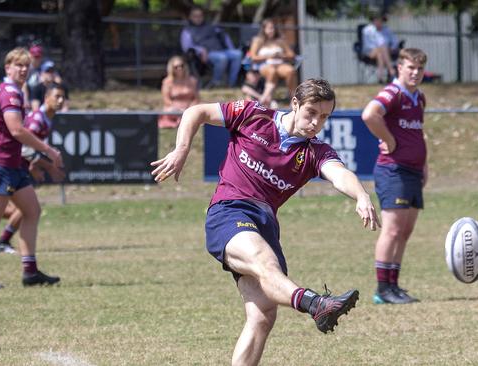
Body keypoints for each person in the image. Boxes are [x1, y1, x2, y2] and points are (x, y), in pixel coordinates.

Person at [151, 78, 380, 365]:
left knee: (262, 316)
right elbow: (195, 112)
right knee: (265, 263)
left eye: (324, 117)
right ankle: (316, 304)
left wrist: (360, 194)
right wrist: (181, 149)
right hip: (229, 211)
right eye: (311, 113)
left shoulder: (314, 151)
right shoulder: (253, 115)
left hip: (265, 225)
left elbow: (338, 173)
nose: (316, 123)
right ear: (295, 104)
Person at [0, 47, 63, 290]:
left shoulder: (13, 91)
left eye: (26, 65)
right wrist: (48, 151)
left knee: (31, 211)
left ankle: (30, 272)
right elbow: (17, 130)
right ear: (7, 67)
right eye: (18, 65)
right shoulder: (10, 92)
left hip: (11, 164)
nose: (23, 69)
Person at [0, 84, 67, 256]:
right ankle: (0, 245)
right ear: (46, 97)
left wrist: (37, 164)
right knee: (17, 212)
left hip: (19, 166)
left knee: (26, 210)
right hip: (13, 166)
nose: (60, 101)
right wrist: (42, 165)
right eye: (57, 96)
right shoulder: (38, 118)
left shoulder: (47, 117)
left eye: (63, 97)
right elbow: (23, 145)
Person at [361, 48, 428, 305]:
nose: (415, 73)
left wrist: (425, 163)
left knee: (405, 231)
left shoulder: (419, 98)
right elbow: (370, 114)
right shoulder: (393, 93)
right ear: (399, 67)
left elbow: (418, 133)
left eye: (419, 69)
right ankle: (382, 289)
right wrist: (387, 139)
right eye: (410, 67)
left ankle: (394, 286)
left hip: (412, 171)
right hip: (393, 170)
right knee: (392, 230)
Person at [180, 6, 243, 88]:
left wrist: (231, 48)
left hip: (222, 51)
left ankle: (231, 84)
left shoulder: (211, 26)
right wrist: (200, 50)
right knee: (222, 58)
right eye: (195, 16)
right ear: (190, 17)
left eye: (200, 16)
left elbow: (224, 36)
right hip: (205, 55)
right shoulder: (187, 31)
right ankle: (216, 83)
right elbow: (186, 46)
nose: (198, 18)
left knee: (237, 54)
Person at [248, 19, 299, 104]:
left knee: (290, 71)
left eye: (273, 28)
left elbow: (292, 55)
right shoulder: (258, 41)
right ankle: (268, 98)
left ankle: (292, 97)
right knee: (272, 71)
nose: (271, 30)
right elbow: (253, 57)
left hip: (279, 64)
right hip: (263, 65)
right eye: (269, 28)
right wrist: (269, 56)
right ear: (264, 29)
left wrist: (281, 56)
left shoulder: (280, 41)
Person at [158, 56, 200, 129]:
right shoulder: (167, 82)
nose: (179, 68)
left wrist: (189, 108)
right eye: (176, 67)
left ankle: (183, 120)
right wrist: (178, 109)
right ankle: (179, 121)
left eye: (181, 66)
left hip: (190, 107)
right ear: (172, 68)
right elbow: (166, 100)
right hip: (174, 109)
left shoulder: (192, 80)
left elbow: (196, 98)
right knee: (170, 111)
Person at [361, 15, 396, 83]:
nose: (378, 22)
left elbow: (395, 41)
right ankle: (392, 71)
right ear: (373, 20)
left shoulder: (387, 30)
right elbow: (367, 45)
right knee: (382, 48)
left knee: (380, 53)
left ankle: (380, 77)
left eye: (380, 20)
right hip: (370, 52)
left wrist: (392, 48)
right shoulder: (367, 30)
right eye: (376, 20)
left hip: (386, 51)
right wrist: (379, 48)